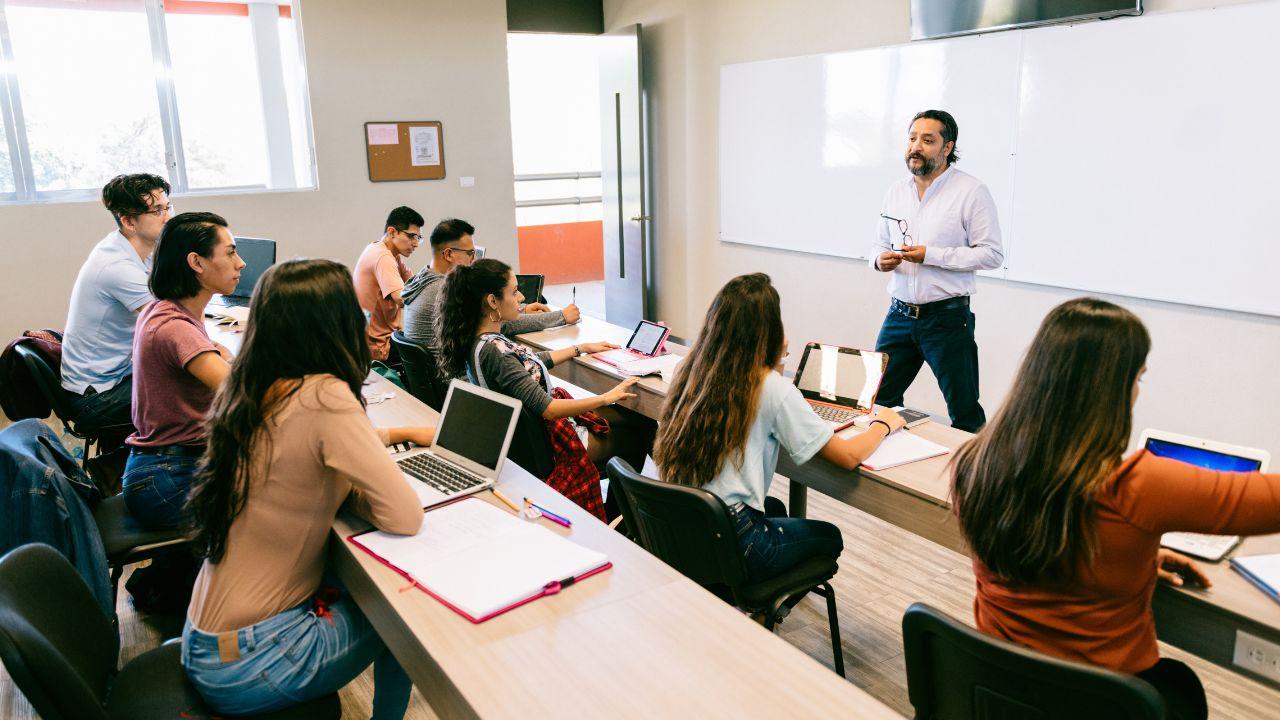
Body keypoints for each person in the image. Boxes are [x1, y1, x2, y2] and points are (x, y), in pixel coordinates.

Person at [950, 297, 1280, 720]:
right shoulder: (1138, 486)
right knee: (1180, 686)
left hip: (1001, 692)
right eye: (1138, 377)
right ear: (1111, 388)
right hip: (1103, 706)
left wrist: (1127, 557)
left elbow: (1043, 538)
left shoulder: (974, 464)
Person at [183, 258, 434, 719]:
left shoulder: (250, 386)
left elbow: (301, 452)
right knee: (405, 613)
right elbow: (405, 516)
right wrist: (362, 489)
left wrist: (386, 443)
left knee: (359, 579)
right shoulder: (325, 395)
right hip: (255, 660)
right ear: (336, 324)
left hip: (208, 642)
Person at [654, 273, 904, 583]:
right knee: (829, 537)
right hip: (733, 536)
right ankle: (756, 610)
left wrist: (775, 359)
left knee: (775, 507)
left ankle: (743, 596)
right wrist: (883, 424)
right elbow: (848, 457)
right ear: (769, 331)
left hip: (681, 524)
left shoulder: (691, 368)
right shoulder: (770, 387)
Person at [435, 259, 648, 520]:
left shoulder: (480, 341)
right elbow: (549, 409)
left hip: (528, 439)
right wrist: (606, 396)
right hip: (551, 446)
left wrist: (579, 349)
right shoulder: (496, 352)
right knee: (642, 429)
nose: (521, 297)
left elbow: (527, 368)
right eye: (514, 292)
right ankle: (619, 517)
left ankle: (619, 514)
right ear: (492, 301)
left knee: (632, 419)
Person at [868, 109, 1003, 433]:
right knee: (876, 400)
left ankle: (972, 481)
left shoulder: (971, 191)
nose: (916, 146)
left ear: (947, 147)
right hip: (899, 316)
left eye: (928, 140)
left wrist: (932, 255)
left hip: (947, 320)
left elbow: (992, 254)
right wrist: (879, 260)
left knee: (965, 411)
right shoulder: (896, 191)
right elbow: (877, 244)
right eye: (912, 138)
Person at [122, 212, 242, 531]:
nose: (240, 263)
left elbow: (219, 354)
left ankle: (168, 574)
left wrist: (222, 355)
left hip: (159, 469)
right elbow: (243, 393)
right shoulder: (177, 328)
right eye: (230, 252)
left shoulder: (165, 310)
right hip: (168, 480)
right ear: (196, 262)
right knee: (292, 500)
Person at [61, 173, 172, 437]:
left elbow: (169, 301)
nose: (168, 216)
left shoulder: (135, 249)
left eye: (168, 207)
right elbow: (168, 325)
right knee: (196, 391)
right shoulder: (117, 266)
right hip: (97, 399)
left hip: (116, 376)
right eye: (157, 211)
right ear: (128, 221)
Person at [402, 218, 581, 350]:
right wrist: (561, 316)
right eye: (470, 254)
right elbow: (500, 324)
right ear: (448, 255)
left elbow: (488, 317)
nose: (474, 261)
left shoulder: (422, 278)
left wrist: (521, 309)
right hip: (456, 383)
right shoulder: (444, 291)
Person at [354, 206, 422, 361]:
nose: (416, 243)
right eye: (411, 236)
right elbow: (403, 299)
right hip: (379, 347)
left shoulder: (382, 250)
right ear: (392, 232)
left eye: (418, 238)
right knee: (434, 353)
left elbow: (414, 281)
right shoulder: (383, 257)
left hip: (371, 341)